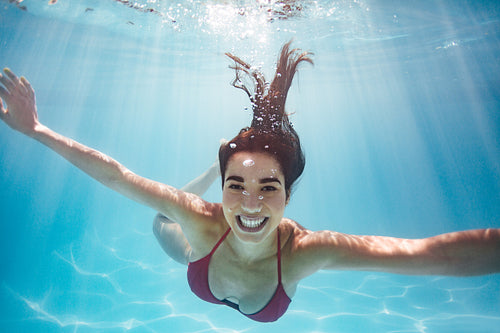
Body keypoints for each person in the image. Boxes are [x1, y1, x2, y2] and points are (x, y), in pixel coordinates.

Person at [0, 42, 499, 323]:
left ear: (288, 193)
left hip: (224, 262)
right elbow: (116, 175)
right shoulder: (202, 221)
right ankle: (202, 175)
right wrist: (37, 130)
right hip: (198, 254)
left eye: (268, 188)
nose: (252, 203)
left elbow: (426, 254)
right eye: (235, 184)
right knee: (159, 222)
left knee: (170, 211)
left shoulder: (305, 251)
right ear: (222, 191)